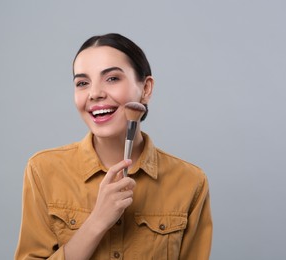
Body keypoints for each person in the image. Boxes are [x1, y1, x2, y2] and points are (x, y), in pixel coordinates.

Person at [15, 33, 213, 260]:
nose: (95, 93)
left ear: (146, 89)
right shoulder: (43, 170)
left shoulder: (190, 181)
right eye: (82, 83)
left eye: (112, 79)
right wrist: (97, 222)